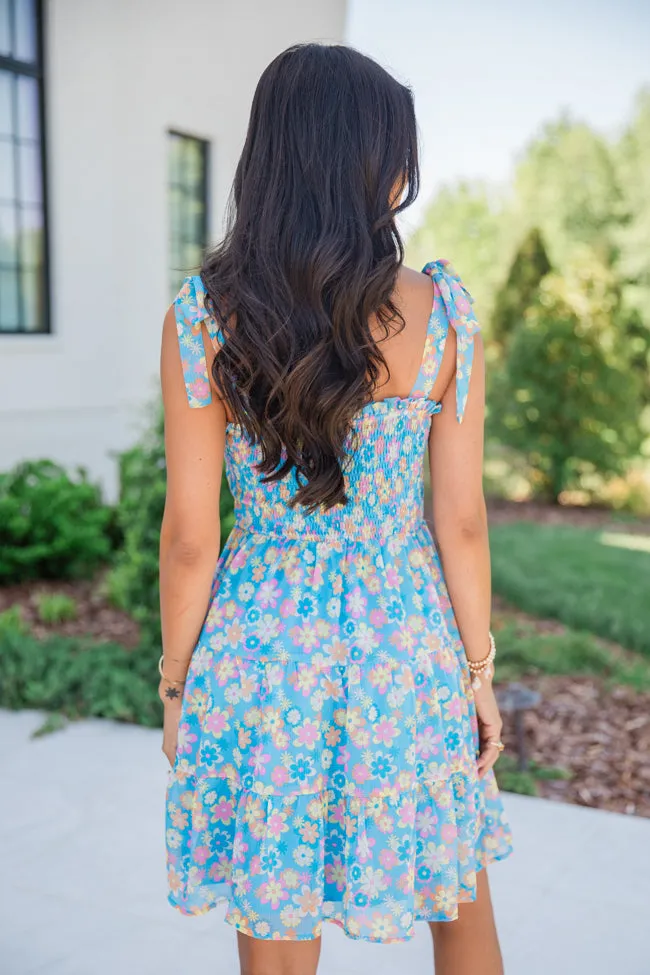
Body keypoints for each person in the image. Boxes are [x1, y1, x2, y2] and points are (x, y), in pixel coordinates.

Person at [158, 42, 513, 975]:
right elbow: (462, 519)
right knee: (459, 895)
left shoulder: (204, 316)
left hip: (262, 649)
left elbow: (192, 540)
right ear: (373, 167)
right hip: (407, 644)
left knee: (276, 918)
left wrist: (175, 682)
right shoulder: (442, 314)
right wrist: (477, 671)